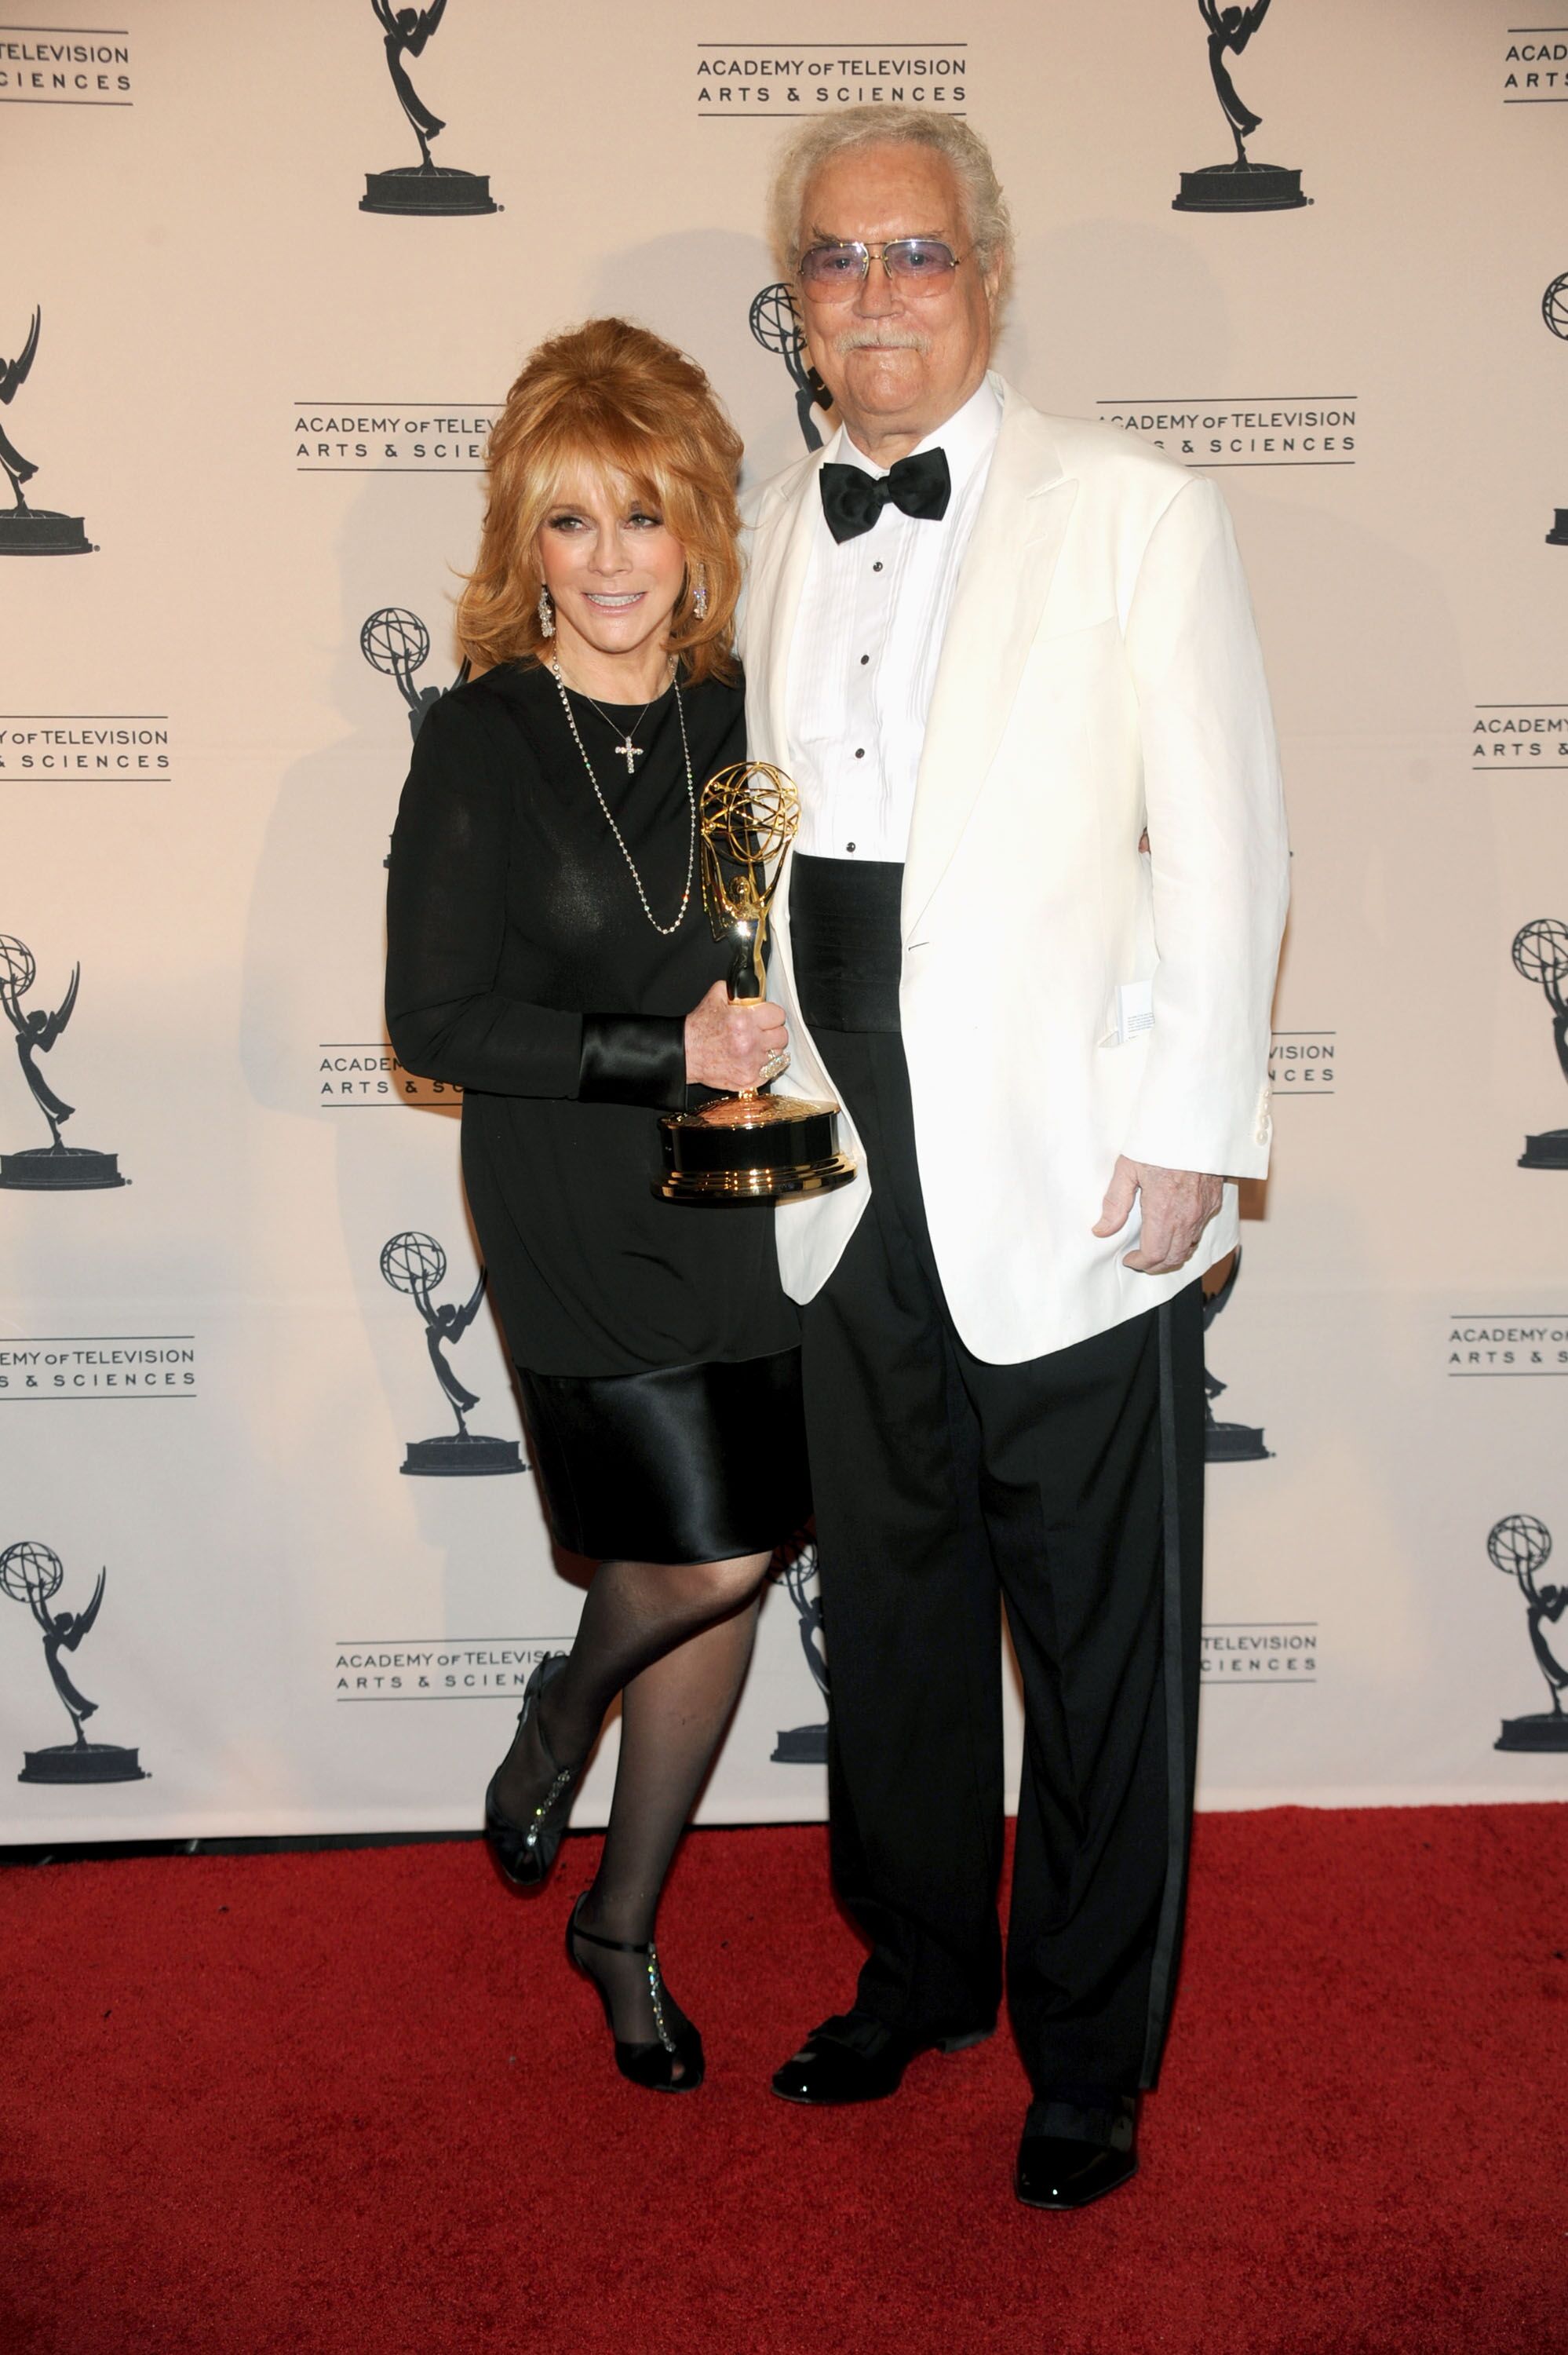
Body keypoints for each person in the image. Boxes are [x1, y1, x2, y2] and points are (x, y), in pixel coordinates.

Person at [743, 109, 1289, 2205]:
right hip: (836, 1158)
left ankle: (1083, 2051)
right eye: (832, 262)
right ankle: (913, 1972)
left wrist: (1190, 1138)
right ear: (794, 302)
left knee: (1092, 1641)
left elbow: (1224, 843)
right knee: (885, 1607)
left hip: (1071, 1166)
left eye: (911, 257)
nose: (872, 297)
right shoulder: (781, 521)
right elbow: (766, 864)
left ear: (984, 272)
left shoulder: (1132, 511)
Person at [385, 318, 808, 2094]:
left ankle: (621, 1928)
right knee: (708, 1550)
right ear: (523, 545)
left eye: (644, 518)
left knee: (731, 1560)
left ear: (703, 526)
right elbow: (436, 1021)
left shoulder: (754, 713)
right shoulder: (481, 736)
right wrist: (658, 1044)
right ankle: (564, 1710)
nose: (613, 562)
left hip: (746, 1195)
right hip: (569, 1189)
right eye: (572, 525)